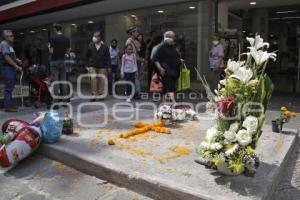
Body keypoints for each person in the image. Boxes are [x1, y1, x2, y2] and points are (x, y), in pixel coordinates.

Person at [153, 31, 181, 104]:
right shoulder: (160, 47)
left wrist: (180, 60)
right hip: (165, 70)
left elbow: (175, 56)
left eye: (172, 37)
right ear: (165, 37)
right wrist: (160, 68)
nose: (171, 39)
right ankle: (173, 102)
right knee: (170, 85)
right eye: (169, 37)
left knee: (166, 86)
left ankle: (162, 101)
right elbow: (155, 59)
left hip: (175, 71)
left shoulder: (173, 47)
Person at [0, 30, 22, 112]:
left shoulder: (9, 45)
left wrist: (17, 60)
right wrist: (16, 66)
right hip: (7, 68)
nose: (13, 37)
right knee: (9, 87)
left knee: (11, 86)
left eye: (13, 35)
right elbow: (7, 57)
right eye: (11, 36)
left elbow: (10, 56)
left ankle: (10, 104)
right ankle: (7, 106)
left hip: (10, 68)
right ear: (6, 37)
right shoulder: (4, 44)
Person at [49, 24, 70, 106]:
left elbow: (51, 52)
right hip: (62, 61)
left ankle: (56, 102)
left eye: (53, 28)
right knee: (63, 81)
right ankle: (65, 102)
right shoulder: (66, 38)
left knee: (56, 82)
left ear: (55, 29)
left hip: (54, 61)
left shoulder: (53, 38)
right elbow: (68, 52)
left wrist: (49, 48)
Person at [86, 31, 111, 101]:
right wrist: (87, 65)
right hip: (92, 65)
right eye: (94, 36)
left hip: (102, 66)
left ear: (100, 37)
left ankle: (101, 94)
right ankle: (94, 95)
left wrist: (109, 66)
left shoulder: (105, 46)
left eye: (96, 36)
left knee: (101, 80)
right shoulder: (90, 45)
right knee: (93, 78)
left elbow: (108, 57)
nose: (94, 37)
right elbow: (86, 55)